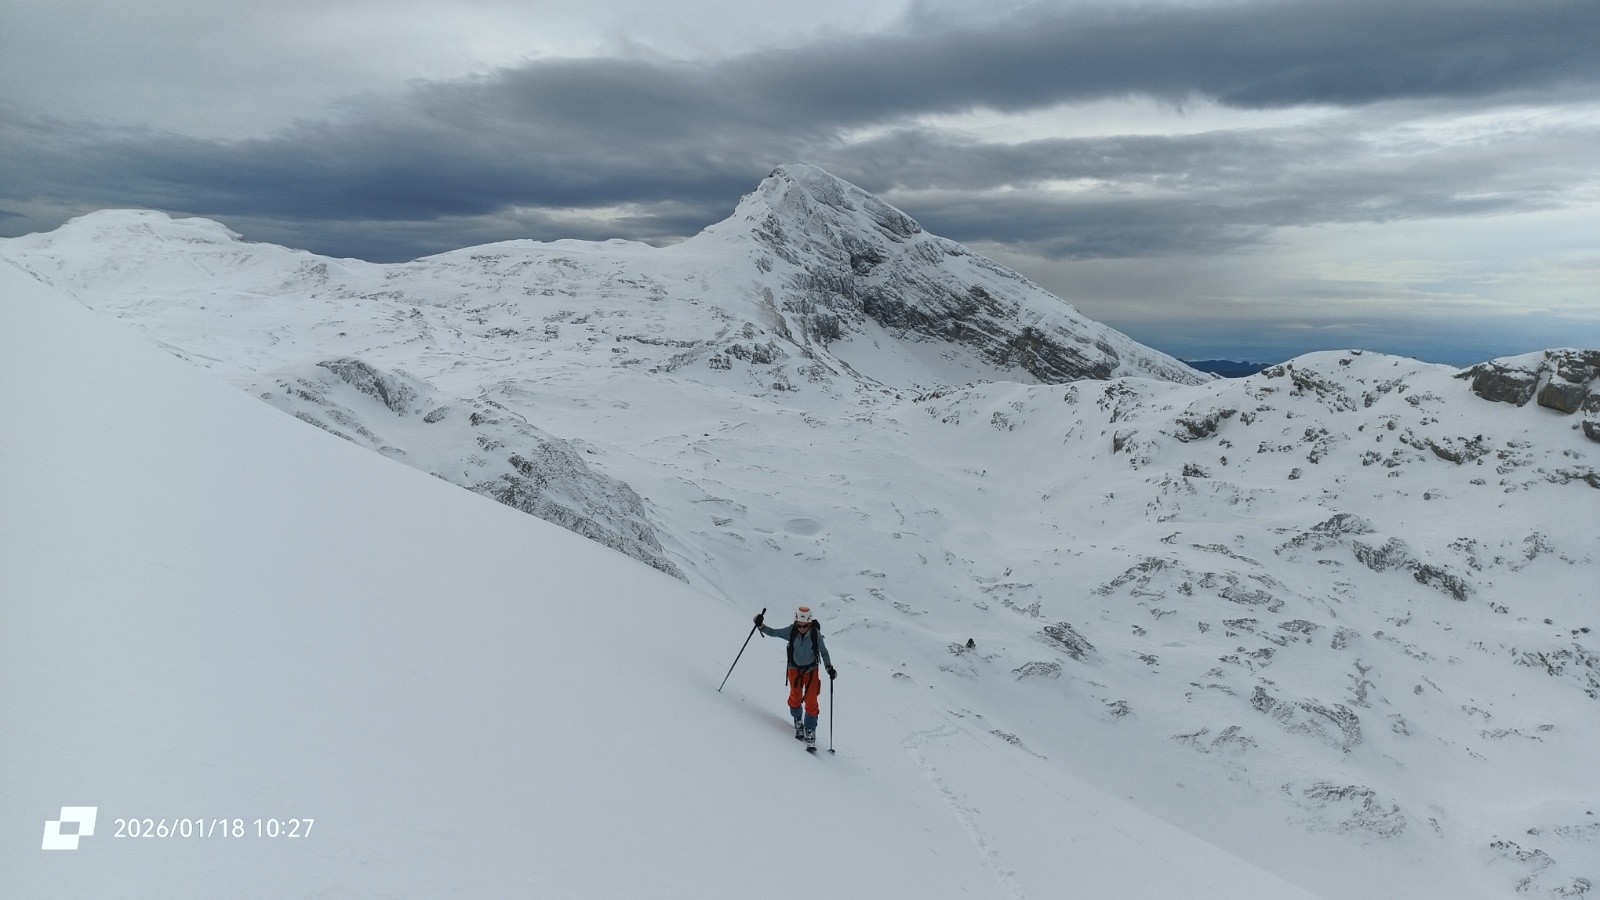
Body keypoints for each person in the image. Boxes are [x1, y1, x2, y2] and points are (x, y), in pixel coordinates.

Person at [754, 606, 836, 746]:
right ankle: (798, 721)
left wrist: (829, 667)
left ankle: (810, 730)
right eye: (799, 625)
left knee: (811, 701)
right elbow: (773, 632)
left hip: (811, 670)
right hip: (794, 669)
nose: (802, 628)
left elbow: (824, 651)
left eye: (805, 626)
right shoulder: (791, 631)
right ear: (796, 622)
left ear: (809, 623)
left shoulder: (815, 634)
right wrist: (760, 625)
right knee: (795, 697)